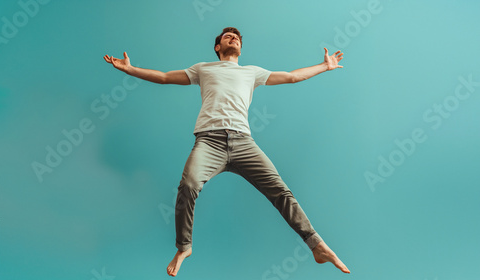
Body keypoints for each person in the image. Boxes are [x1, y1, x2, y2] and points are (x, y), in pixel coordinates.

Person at [104, 27, 350, 277]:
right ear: (217, 47)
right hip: (209, 142)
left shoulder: (251, 72)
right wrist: (130, 69)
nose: (233, 38)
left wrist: (324, 66)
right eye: (227, 37)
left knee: (281, 191)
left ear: (241, 48)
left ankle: (317, 246)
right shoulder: (203, 68)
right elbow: (166, 77)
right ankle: (184, 247)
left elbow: (291, 76)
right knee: (188, 185)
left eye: (237, 38)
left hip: (244, 143)